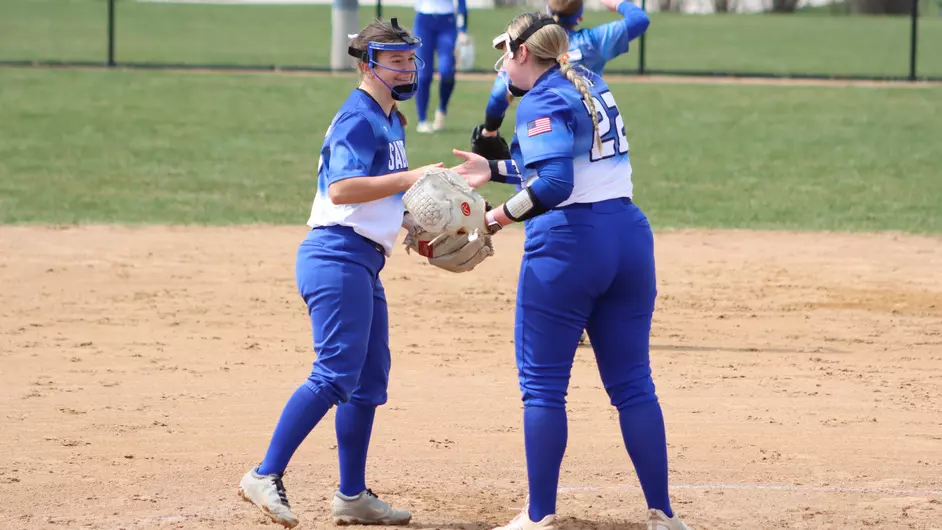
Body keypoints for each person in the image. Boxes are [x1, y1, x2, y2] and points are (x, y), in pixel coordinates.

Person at [449, 12, 690, 530]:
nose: (502, 66)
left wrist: (494, 219)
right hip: (628, 238)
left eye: (504, 54)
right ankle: (663, 515)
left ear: (521, 53)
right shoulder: (587, 81)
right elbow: (570, 161)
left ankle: (539, 516)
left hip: (569, 247)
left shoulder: (539, 99)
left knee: (542, 388)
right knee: (634, 386)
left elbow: (555, 184)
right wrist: (494, 169)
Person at [237, 18, 444, 529]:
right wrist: (414, 176)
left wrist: (415, 229)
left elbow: (381, 196)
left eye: (409, 58)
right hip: (336, 257)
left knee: (368, 381)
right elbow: (343, 189)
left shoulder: (390, 119)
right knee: (334, 376)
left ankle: (352, 496)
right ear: (367, 65)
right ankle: (264, 474)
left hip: (363, 260)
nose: (407, 68)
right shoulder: (358, 117)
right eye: (395, 60)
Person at [469, 0, 649, 161]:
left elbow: (500, 93)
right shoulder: (593, 42)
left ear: (547, 10)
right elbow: (639, 19)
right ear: (579, 17)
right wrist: (617, 3)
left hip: (543, 135)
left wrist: (489, 130)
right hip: (590, 139)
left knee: (541, 178)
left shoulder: (531, 48)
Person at [413, 0, 469, 133]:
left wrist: (463, 29)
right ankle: (422, 120)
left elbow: (461, 3)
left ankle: (442, 109)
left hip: (447, 21)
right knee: (424, 74)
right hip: (424, 20)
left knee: (447, 72)